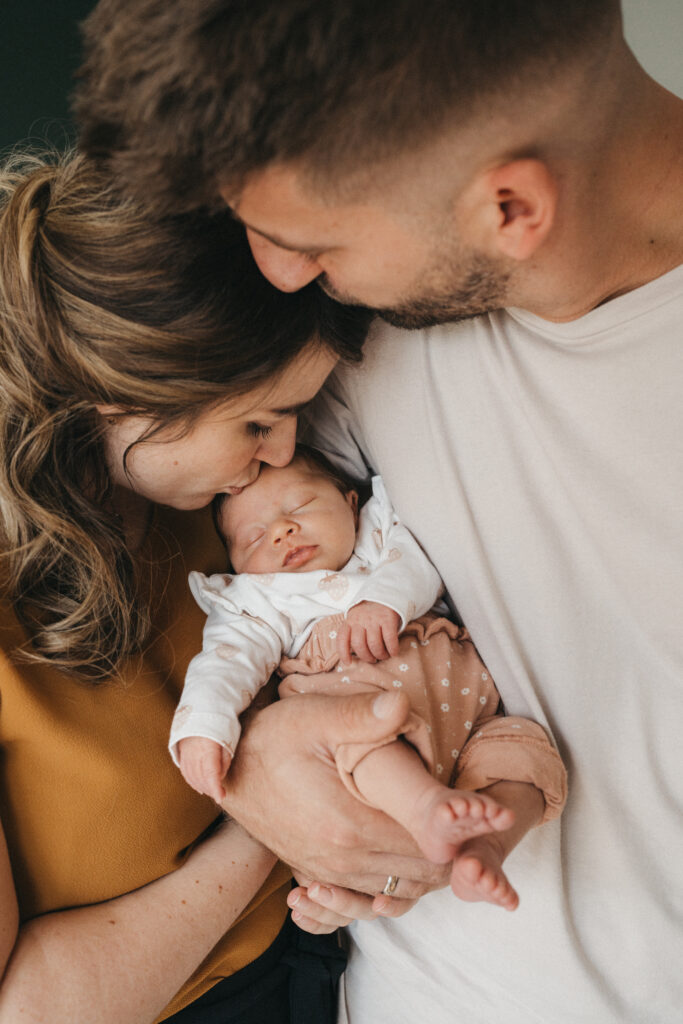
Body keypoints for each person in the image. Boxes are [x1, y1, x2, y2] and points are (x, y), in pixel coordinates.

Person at [74, 1, 683, 1022]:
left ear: (508, 209)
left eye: (303, 239)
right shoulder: (355, 336)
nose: (277, 274)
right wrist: (267, 751)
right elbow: (280, 587)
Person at [0, 149, 422, 1024]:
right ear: (119, 395)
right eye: (258, 423)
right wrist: (275, 823)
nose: (279, 458)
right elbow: (28, 1010)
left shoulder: (212, 504)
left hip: (321, 957)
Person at [171, 449, 567, 912]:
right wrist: (204, 726)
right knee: (361, 743)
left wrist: (385, 601)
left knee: (526, 754)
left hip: (471, 713)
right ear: (237, 567)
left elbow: (414, 564)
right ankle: (424, 809)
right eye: (254, 537)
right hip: (358, 708)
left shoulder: (378, 536)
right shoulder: (258, 602)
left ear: (350, 501)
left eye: (299, 507)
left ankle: (486, 848)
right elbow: (223, 661)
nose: (281, 531)